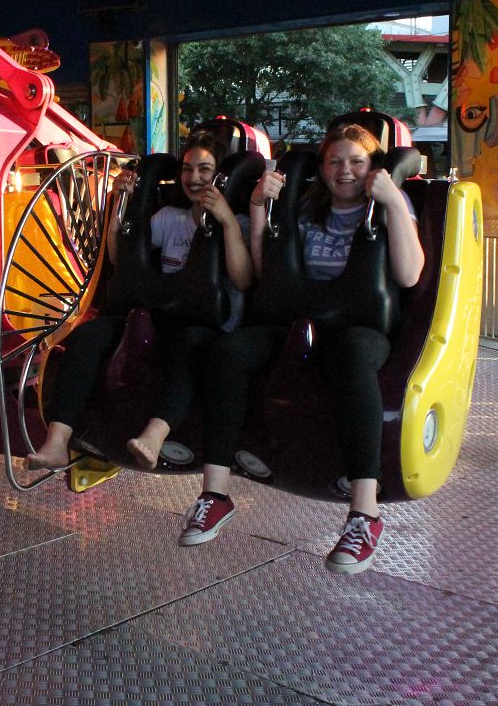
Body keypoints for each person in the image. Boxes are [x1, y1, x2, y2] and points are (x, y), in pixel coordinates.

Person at [179, 123, 424, 578]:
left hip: (357, 327)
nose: (345, 171)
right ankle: (215, 494)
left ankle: (364, 514)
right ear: (322, 168)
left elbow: (409, 274)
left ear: (373, 167)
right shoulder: (307, 209)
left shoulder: (389, 204)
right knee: (229, 352)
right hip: (298, 321)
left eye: (356, 162)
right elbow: (264, 271)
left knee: (353, 358)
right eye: (335, 161)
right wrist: (258, 206)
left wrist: (391, 199)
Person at [27, 131, 253, 471]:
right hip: (159, 311)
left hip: (203, 322)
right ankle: (57, 441)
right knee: (89, 336)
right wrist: (121, 207)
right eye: (187, 169)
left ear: (219, 176)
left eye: (204, 170)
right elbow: (123, 261)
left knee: (189, 348)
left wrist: (226, 222)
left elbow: (243, 279)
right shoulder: (171, 218)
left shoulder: (238, 223)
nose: (194, 178)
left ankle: (154, 435)